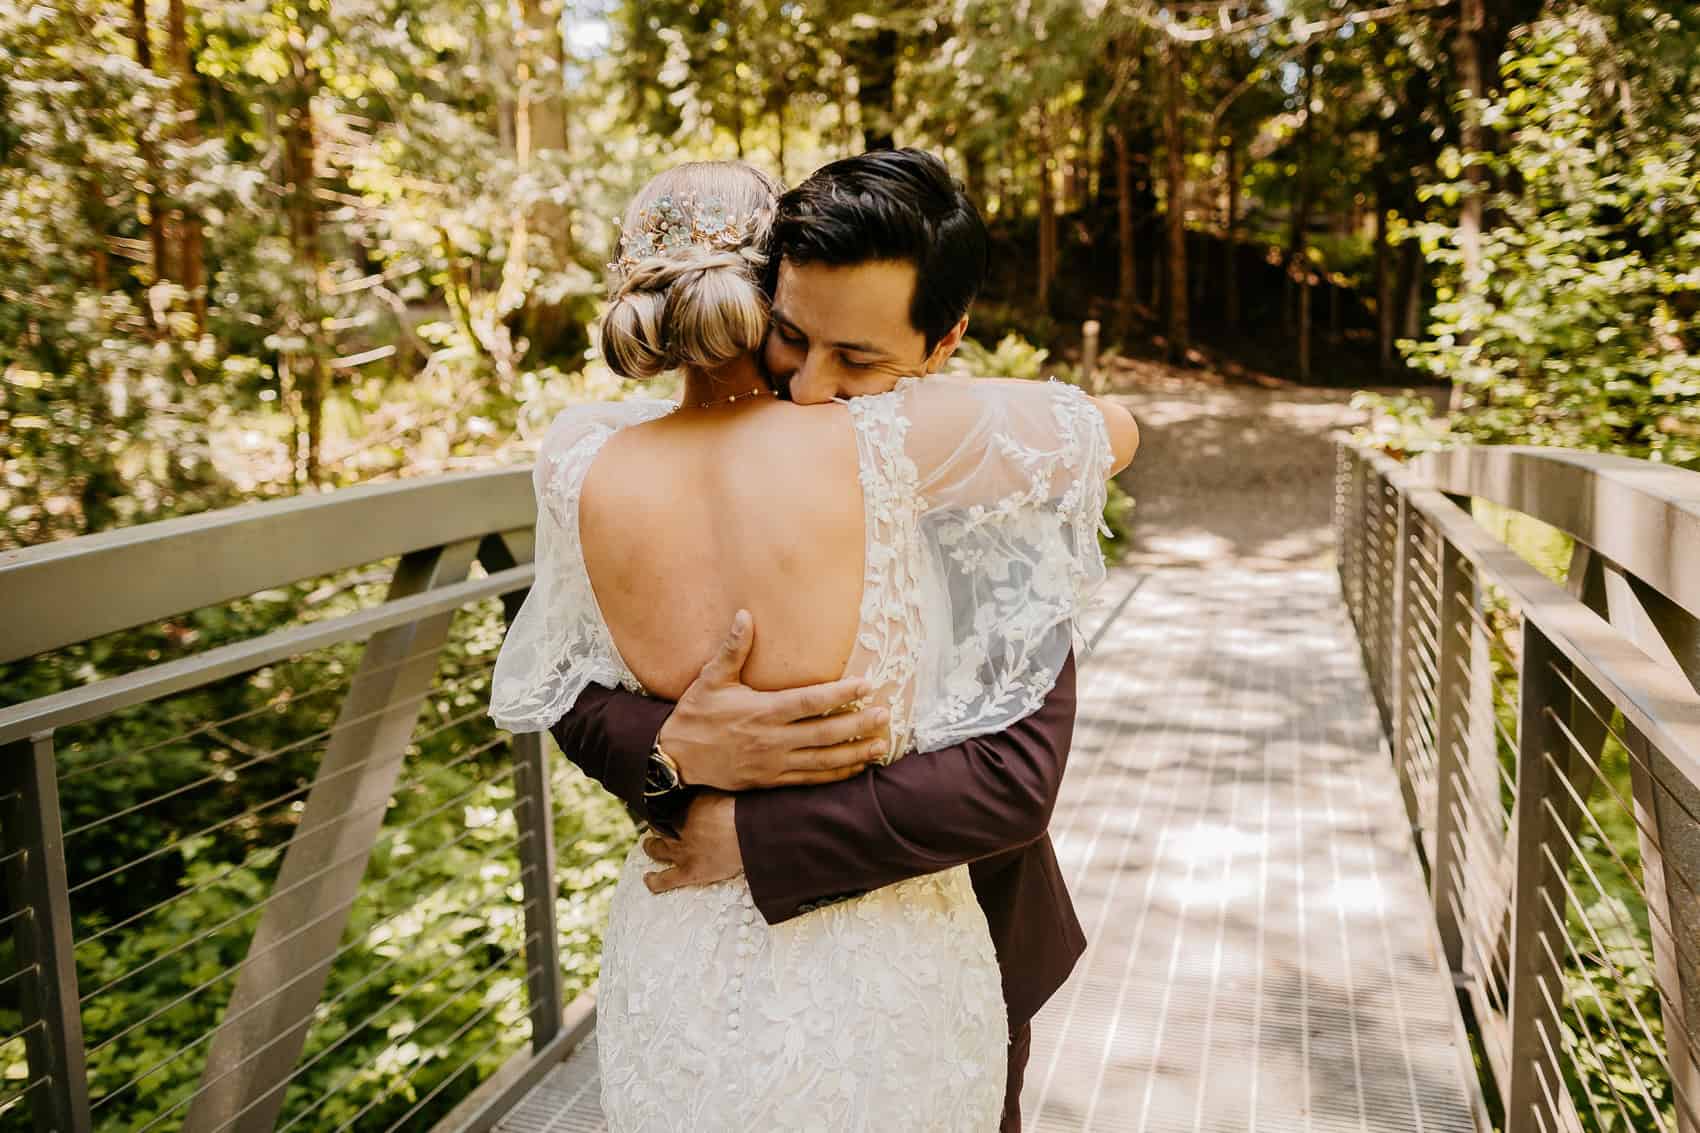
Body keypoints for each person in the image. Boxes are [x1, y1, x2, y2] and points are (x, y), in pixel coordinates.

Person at [490, 153, 1138, 1130]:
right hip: (881, 970)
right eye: (792, 337)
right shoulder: (921, 448)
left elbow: (1012, 775)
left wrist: (745, 833)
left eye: (859, 360)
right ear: (763, 291)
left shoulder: (587, 458)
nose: (813, 386)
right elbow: (579, 702)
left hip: (714, 939)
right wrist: (672, 749)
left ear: (943, 338)